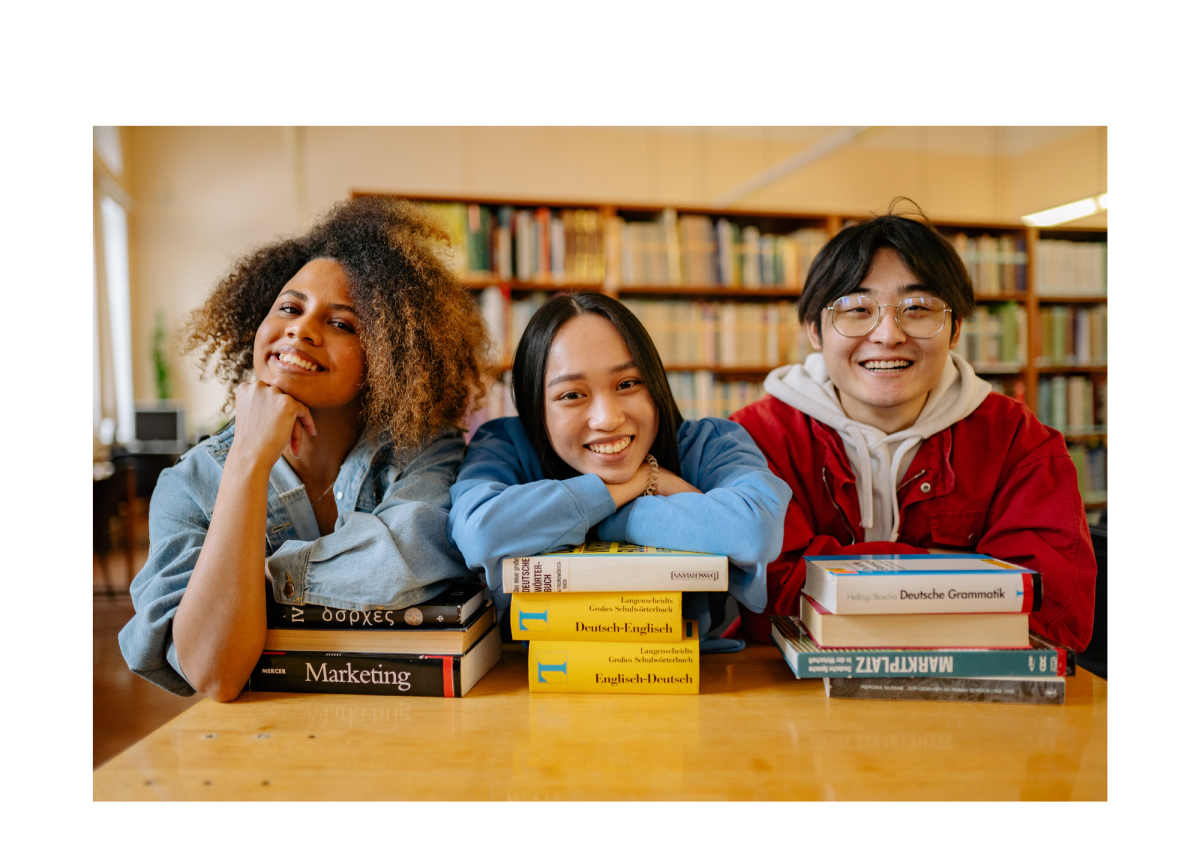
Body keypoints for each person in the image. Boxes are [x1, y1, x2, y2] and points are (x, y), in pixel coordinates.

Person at [120, 197, 491, 701]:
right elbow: (215, 674)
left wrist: (249, 587)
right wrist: (247, 461)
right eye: (290, 308)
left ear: (389, 357)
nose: (301, 328)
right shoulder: (190, 485)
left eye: (342, 324)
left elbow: (409, 555)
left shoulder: (426, 452)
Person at [730, 203, 1096, 652]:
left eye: (918, 308)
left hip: (973, 707)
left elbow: (1049, 615)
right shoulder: (752, 440)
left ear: (955, 328)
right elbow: (759, 599)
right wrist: (957, 573)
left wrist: (839, 577)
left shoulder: (1019, 443)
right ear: (815, 331)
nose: (887, 334)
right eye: (856, 308)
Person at [448, 292, 791, 653]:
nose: (608, 419)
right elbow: (480, 532)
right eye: (571, 395)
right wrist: (638, 483)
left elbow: (754, 530)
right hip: (528, 682)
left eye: (627, 384)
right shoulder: (504, 444)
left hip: (691, 678)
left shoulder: (710, 443)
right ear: (536, 406)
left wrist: (602, 519)